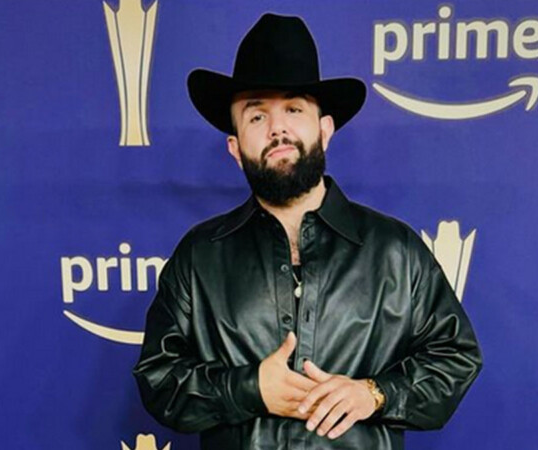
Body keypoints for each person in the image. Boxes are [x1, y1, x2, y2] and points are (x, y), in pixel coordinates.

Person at [132, 13, 483, 450]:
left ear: (325, 129)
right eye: (256, 116)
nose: (277, 128)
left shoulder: (396, 250)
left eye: (294, 109)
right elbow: (159, 380)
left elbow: (455, 358)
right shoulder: (200, 256)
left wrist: (375, 394)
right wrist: (249, 389)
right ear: (235, 148)